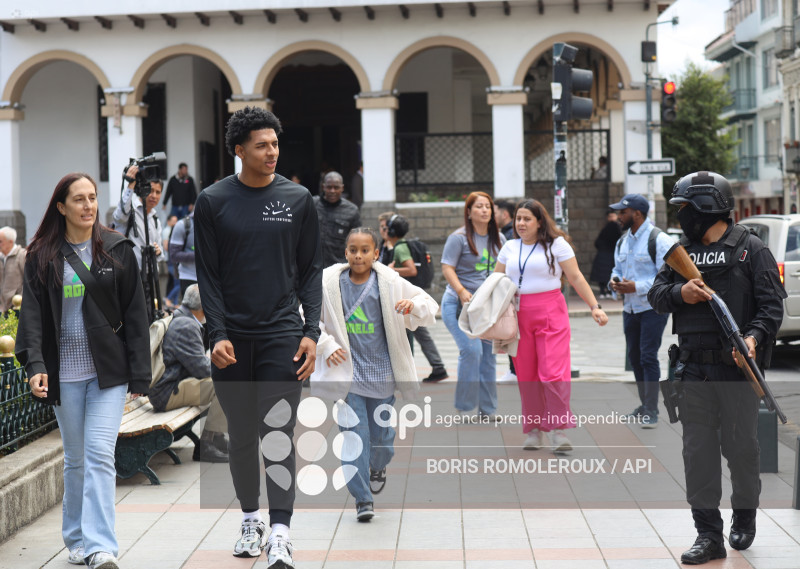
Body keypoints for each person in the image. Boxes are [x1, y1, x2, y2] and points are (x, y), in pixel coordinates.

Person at [194, 106, 322, 567]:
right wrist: (217, 333)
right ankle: (252, 520)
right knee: (244, 436)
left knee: (278, 432)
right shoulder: (212, 201)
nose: (272, 152)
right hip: (232, 342)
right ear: (239, 150)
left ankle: (282, 533)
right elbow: (207, 275)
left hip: (282, 335)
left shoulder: (299, 199)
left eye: (275, 144)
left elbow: (310, 270)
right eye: (262, 145)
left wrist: (312, 331)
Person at [648, 171, 784, 565]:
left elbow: (772, 306)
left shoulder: (750, 249)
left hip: (736, 372)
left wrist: (754, 339)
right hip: (693, 372)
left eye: (686, 208)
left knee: (741, 450)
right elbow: (657, 295)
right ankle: (708, 534)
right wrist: (680, 292)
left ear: (707, 208)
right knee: (698, 454)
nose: (683, 216)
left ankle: (744, 513)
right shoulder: (682, 255)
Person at [16, 172, 150, 569]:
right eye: (79, 199)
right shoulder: (41, 254)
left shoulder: (117, 249)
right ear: (61, 206)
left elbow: (136, 313)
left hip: (108, 373)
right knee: (75, 458)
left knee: (97, 454)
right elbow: (32, 317)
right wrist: (36, 365)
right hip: (66, 375)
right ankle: (75, 538)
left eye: (92, 197)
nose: (88, 205)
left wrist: (140, 374)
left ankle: (101, 546)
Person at [311, 228, 438, 521]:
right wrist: (327, 345)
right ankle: (362, 499)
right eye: (353, 250)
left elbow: (429, 305)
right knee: (355, 437)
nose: (358, 255)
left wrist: (413, 306)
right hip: (346, 376)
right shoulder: (329, 283)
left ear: (376, 254)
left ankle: (378, 465)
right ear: (345, 253)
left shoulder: (390, 282)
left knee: (380, 439)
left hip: (382, 374)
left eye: (365, 250)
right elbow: (309, 318)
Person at [495, 199, 608, 452]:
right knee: (527, 375)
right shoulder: (510, 247)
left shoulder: (557, 244)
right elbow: (496, 280)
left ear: (539, 222)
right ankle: (534, 431)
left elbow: (576, 276)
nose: (521, 223)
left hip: (550, 312)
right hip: (518, 314)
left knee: (553, 372)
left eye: (527, 219)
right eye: (518, 219)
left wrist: (594, 307)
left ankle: (559, 430)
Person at [608, 194, 674, 428]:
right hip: (630, 309)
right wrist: (614, 282)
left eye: (622, 212)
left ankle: (652, 410)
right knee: (635, 358)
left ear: (637, 213)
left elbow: (666, 278)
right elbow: (616, 268)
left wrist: (636, 286)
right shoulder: (622, 241)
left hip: (652, 308)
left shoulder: (659, 239)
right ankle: (645, 404)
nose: (618, 216)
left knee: (648, 356)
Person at [440, 191, 505, 417]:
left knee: (488, 356)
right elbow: (447, 267)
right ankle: (465, 407)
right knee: (471, 350)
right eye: (479, 206)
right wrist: (461, 291)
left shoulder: (499, 239)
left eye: (488, 206)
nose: (485, 210)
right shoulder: (458, 238)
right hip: (459, 306)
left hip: (487, 308)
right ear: (469, 212)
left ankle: (488, 409)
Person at [148, 284, 228, 463]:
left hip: (168, 387)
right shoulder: (186, 325)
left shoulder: (182, 317)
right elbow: (201, 368)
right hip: (167, 393)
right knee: (224, 385)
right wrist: (227, 366)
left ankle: (217, 437)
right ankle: (206, 445)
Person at [384, 214, 448, 383]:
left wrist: (392, 269)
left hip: (407, 299)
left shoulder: (400, 248)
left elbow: (411, 270)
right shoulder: (400, 246)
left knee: (409, 333)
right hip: (408, 298)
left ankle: (434, 367)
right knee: (413, 333)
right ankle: (436, 367)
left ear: (391, 231)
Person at [491, 200, 518, 383]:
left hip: (513, 291)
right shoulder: (506, 235)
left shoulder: (509, 237)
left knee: (511, 331)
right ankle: (514, 370)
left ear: (505, 214)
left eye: (494, 212)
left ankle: (514, 371)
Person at [314, 171, 361, 267]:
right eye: (329, 187)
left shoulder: (351, 210)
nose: (332, 191)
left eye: (336, 187)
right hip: (313, 267)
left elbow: (357, 241)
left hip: (339, 268)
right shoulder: (312, 205)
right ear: (323, 187)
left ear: (342, 188)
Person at [589, 210, 621, 300]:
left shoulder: (611, 227)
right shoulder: (614, 227)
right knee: (607, 273)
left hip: (606, 254)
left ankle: (605, 291)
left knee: (604, 274)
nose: (611, 218)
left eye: (613, 216)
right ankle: (606, 291)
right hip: (609, 254)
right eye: (610, 216)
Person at [168, 211, 197, 295]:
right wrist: (200, 255)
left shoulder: (218, 223)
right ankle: (168, 300)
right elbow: (174, 255)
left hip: (213, 278)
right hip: (188, 276)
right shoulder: (183, 225)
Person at [0, 226, 27, 312]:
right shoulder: (1, 258)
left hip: (18, 307)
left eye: (0, 242)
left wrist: (20, 299)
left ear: (10, 242)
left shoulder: (22, 255)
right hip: (2, 308)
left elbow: (29, 280)